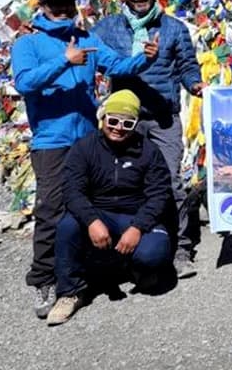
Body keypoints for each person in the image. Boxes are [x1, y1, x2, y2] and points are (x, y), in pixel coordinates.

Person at [11, 0, 158, 319]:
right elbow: (24, 83)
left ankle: (88, 269)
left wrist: (144, 59)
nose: (63, 8)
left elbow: (116, 65)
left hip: (90, 138)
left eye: (67, 1)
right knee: (51, 210)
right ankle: (44, 279)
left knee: (91, 204)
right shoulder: (28, 44)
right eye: (55, 3)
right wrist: (64, 61)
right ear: (42, 7)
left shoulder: (87, 39)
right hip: (52, 141)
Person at [93, 0, 205, 279]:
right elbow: (91, 57)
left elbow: (187, 65)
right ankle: (135, 247)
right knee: (124, 182)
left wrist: (194, 84)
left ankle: (181, 248)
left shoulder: (173, 28)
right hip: (123, 119)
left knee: (169, 181)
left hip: (162, 116)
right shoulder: (107, 28)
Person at [45, 90, 174, 326]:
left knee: (154, 252)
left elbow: (159, 194)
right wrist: (92, 221)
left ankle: (133, 268)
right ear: (102, 118)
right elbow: (72, 191)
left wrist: (138, 227)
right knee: (67, 227)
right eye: (113, 121)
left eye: (127, 123)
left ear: (135, 124)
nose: (118, 128)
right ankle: (70, 291)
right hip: (98, 212)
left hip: (134, 214)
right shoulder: (84, 148)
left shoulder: (149, 151)